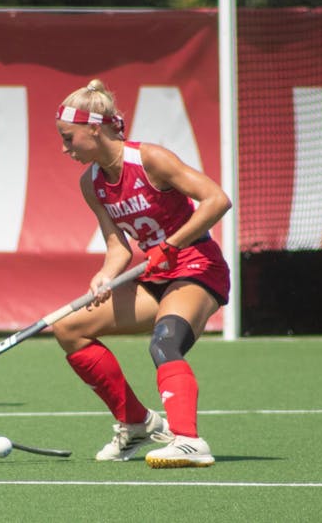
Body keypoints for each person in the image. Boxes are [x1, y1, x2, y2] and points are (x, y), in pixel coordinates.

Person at [52, 79, 231, 468]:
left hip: (197, 266)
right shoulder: (92, 183)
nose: (65, 148)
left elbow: (217, 199)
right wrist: (103, 276)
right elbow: (118, 245)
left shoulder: (149, 159)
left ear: (94, 130)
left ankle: (188, 440)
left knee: (165, 342)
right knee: (68, 329)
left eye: (69, 138)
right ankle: (135, 422)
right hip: (154, 275)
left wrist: (171, 245)